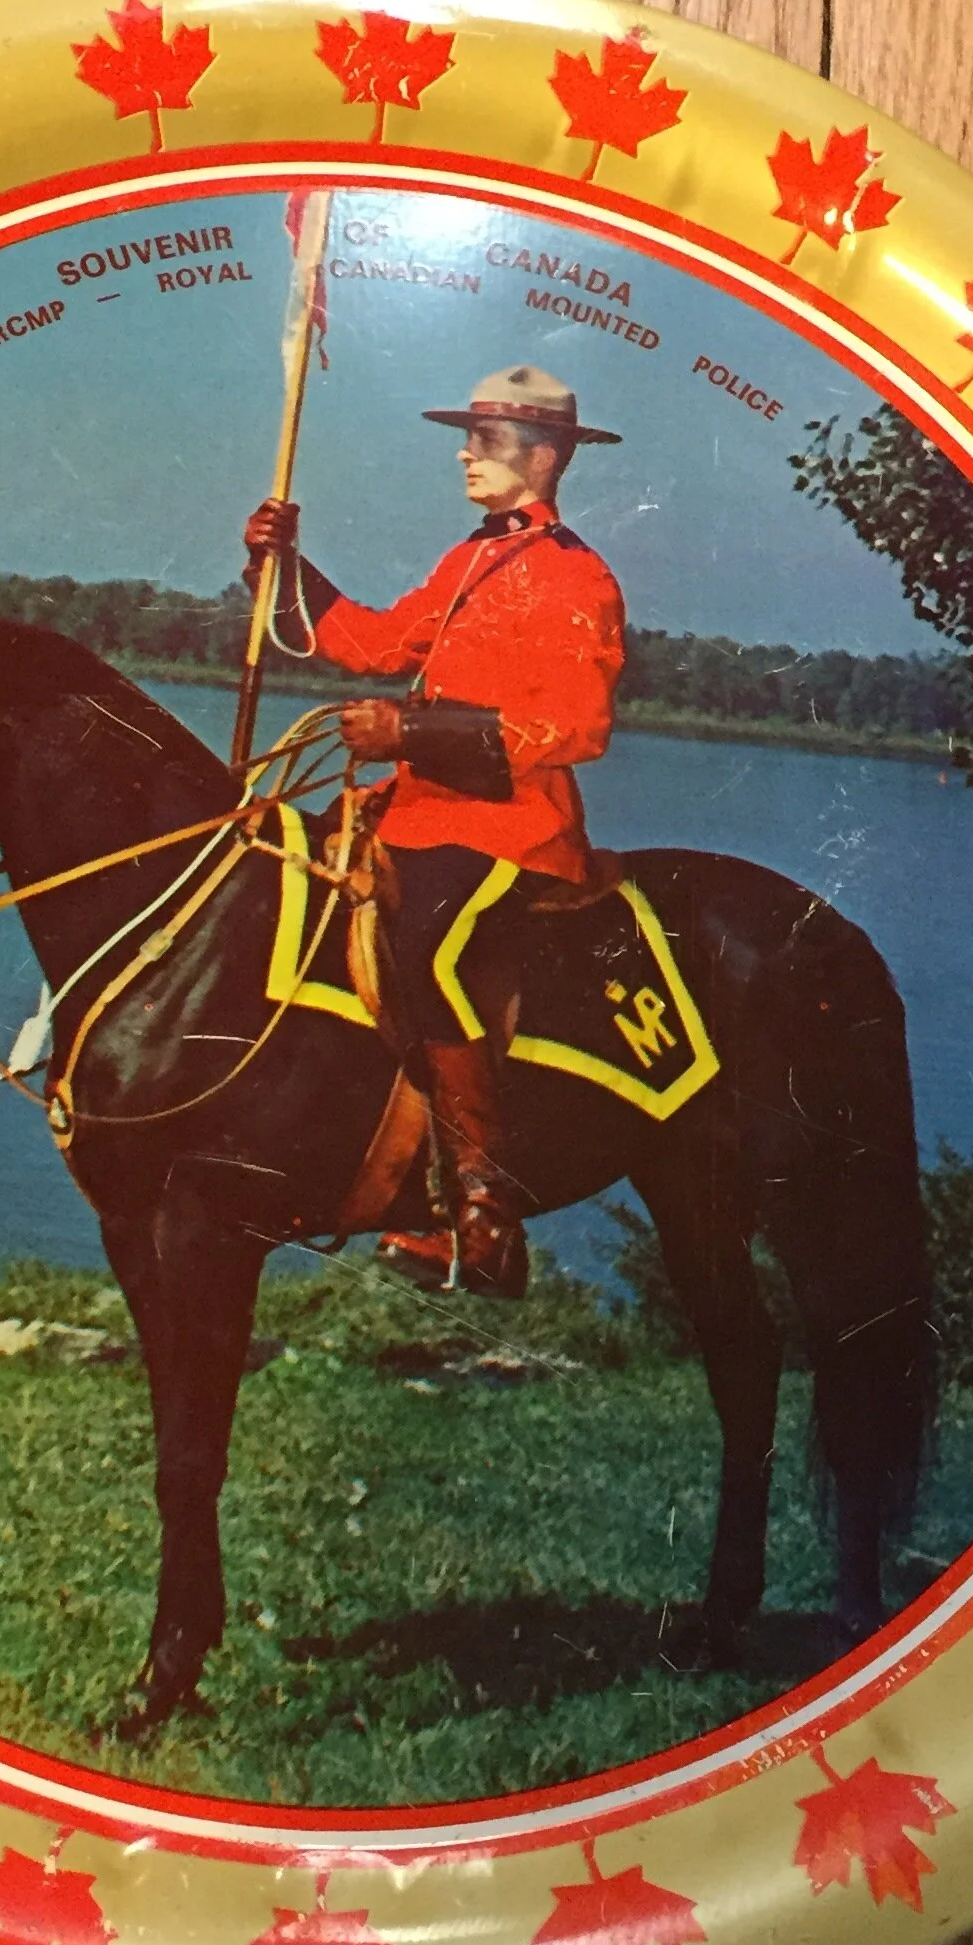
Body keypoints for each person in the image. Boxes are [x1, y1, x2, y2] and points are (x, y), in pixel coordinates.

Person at [243, 362, 628, 1298]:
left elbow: (576, 726)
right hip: (415, 812)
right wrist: (283, 564)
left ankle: (485, 1214)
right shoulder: (468, 561)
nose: (465, 455)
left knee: (425, 948)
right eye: (467, 439)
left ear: (543, 457)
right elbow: (375, 644)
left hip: (513, 827)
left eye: (486, 441)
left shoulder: (578, 578)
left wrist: (410, 734)